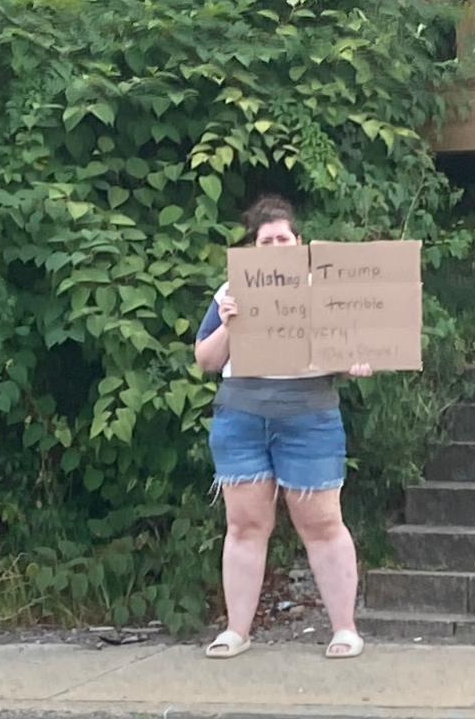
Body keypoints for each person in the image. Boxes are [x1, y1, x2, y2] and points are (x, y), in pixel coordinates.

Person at [194, 194, 372, 660]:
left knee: (323, 523)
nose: (275, 245)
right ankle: (236, 631)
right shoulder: (229, 291)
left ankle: (345, 630)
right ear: (253, 248)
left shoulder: (326, 290)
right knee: (245, 525)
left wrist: (359, 362)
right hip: (242, 417)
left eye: (283, 238)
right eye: (265, 239)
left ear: (300, 243)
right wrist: (232, 323)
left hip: (309, 416)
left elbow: (359, 350)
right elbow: (206, 361)